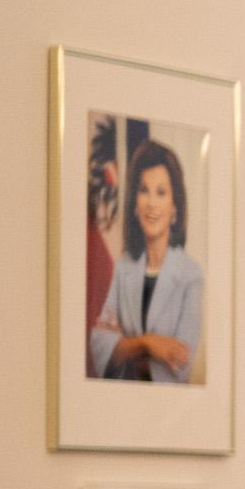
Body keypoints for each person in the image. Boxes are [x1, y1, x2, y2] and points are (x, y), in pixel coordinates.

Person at [89, 138, 203, 382]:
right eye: (144, 190)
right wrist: (148, 344)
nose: (151, 203)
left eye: (161, 192)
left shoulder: (192, 275)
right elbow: (100, 346)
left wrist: (124, 345)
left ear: (175, 208)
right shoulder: (122, 268)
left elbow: (179, 362)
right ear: (134, 204)